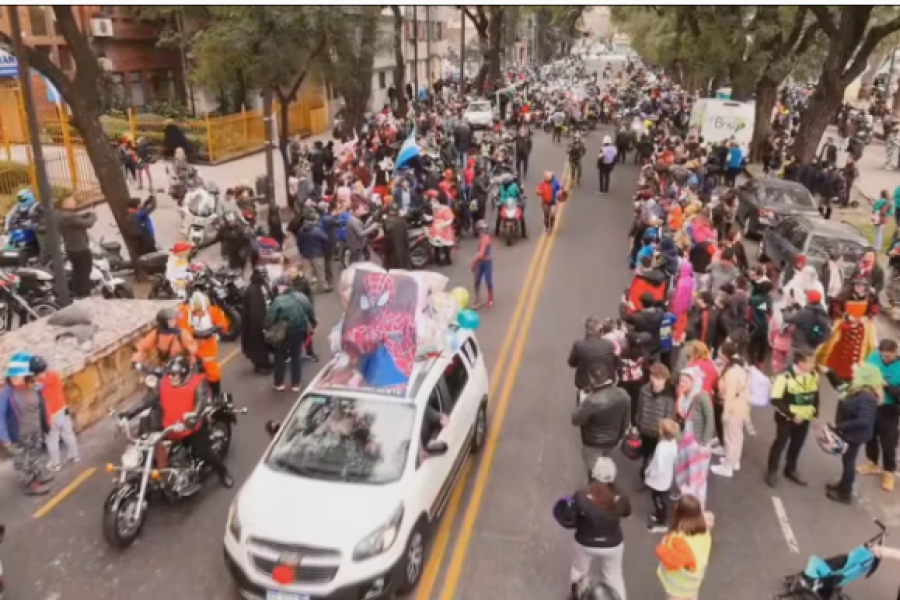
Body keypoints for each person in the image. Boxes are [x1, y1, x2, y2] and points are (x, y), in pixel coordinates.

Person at [118, 355, 233, 488]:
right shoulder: (164, 383)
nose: (172, 377)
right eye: (170, 374)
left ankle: (223, 473)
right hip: (170, 427)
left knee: (205, 453)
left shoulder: (197, 383)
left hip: (191, 428)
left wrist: (193, 417)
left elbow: (200, 403)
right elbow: (147, 401)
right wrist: (128, 414)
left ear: (184, 374)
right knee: (150, 448)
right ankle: (164, 477)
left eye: (175, 375)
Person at [567, 458, 631, 600]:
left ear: (594, 475)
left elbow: (570, 517)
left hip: (586, 541)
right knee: (614, 576)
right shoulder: (621, 498)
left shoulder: (581, 496)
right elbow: (627, 512)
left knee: (579, 570)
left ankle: (576, 596)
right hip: (613, 543)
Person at [820, 363, 881, 504]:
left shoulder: (868, 398)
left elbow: (863, 421)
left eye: (857, 374)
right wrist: (829, 371)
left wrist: (839, 427)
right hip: (852, 433)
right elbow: (840, 386)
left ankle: (845, 493)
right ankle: (842, 485)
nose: (854, 375)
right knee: (847, 460)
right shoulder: (858, 390)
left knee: (849, 462)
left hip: (855, 436)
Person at [766, 349, 820, 488]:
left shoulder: (813, 375)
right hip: (786, 418)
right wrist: (792, 415)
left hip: (805, 418)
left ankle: (790, 470)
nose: (814, 364)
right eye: (810, 362)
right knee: (780, 443)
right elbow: (776, 400)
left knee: (797, 445)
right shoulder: (784, 377)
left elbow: (815, 396)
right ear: (801, 363)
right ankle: (772, 471)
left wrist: (814, 415)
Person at [0, 352, 52, 495]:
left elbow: (41, 405)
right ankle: (29, 485)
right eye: (13, 376)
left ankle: (37, 476)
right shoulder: (7, 393)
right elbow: (1, 416)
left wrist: (46, 423)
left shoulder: (34, 387)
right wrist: (5, 440)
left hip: (35, 430)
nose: (15, 379)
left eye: (19, 375)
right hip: (19, 436)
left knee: (35, 456)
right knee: (23, 463)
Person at [571, 365, 631, 480]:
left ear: (592, 379)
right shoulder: (623, 394)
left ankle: (595, 489)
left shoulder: (591, 401)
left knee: (594, 470)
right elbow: (626, 420)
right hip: (613, 439)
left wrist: (582, 401)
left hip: (593, 442)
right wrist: (620, 437)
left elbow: (576, 420)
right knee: (605, 462)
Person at [857, 339, 900, 492]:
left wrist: (886, 385)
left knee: (888, 440)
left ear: (896, 352)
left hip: (889, 407)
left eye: (888, 357)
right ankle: (872, 462)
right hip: (870, 402)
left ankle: (889, 472)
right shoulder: (874, 357)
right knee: (870, 435)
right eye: (882, 356)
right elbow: (864, 373)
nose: (884, 359)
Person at [656, 495, 714, 600]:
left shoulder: (678, 540)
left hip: (678, 587)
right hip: (694, 583)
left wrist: (664, 543)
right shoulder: (704, 532)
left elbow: (668, 558)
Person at [672, 367, 716, 506]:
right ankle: (685, 497)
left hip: (697, 443)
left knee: (697, 477)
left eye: (686, 380)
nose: (682, 383)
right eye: (681, 380)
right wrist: (681, 394)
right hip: (685, 440)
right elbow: (681, 413)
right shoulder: (684, 394)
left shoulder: (702, 396)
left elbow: (710, 419)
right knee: (682, 469)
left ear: (694, 381)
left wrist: (704, 442)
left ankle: (697, 506)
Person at [30, 355, 80, 472]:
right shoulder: (54, 375)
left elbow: (34, 389)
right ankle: (75, 455)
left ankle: (56, 464)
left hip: (50, 415)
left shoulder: (38, 383)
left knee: (52, 439)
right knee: (68, 433)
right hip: (63, 410)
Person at [265, 278, 315, 391]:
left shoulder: (278, 300)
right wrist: (313, 324)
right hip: (299, 331)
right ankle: (296, 384)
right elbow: (310, 312)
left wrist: (267, 327)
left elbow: (270, 317)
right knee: (296, 357)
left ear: (282, 287)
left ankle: (279, 383)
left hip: (283, 332)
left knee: (280, 357)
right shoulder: (302, 297)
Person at [710, 342, 750, 478]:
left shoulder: (731, 373)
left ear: (726, 356)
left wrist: (725, 414)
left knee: (730, 437)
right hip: (742, 405)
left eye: (721, 354)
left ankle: (727, 467)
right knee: (737, 435)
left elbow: (730, 395)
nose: (719, 356)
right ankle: (734, 461)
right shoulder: (739, 366)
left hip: (734, 408)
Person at [177, 291, 228, 398]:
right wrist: (197, 334)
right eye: (199, 311)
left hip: (208, 347)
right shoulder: (185, 312)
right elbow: (183, 329)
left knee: (212, 372)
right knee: (188, 373)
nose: (202, 313)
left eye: (203, 310)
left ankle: (215, 395)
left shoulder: (211, 311)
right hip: (190, 346)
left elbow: (223, 324)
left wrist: (214, 328)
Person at [635, 363, 676, 481]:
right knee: (646, 453)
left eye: (660, 379)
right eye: (655, 377)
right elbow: (640, 407)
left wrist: (664, 431)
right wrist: (638, 422)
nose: (657, 381)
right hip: (645, 428)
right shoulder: (644, 390)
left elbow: (669, 416)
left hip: (658, 433)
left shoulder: (668, 396)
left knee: (655, 455)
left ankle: (651, 476)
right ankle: (645, 471)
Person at [568, 316, 619, 404]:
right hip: (606, 386)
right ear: (599, 329)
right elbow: (617, 364)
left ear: (586, 330)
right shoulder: (609, 345)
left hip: (586, 386)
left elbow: (572, 363)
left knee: (581, 413)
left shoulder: (578, 345)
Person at [57, 196, 97, 298]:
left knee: (77, 271)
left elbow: (77, 219)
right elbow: (87, 223)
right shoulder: (69, 217)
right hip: (80, 248)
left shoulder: (62, 216)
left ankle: (78, 291)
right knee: (84, 271)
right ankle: (84, 292)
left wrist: (85, 215)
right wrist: (92, 215)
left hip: (71, 248)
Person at [646, 419, 680, 533]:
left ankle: (662, 522)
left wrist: (650, 473)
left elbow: (658, 465)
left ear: (661, 432)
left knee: (657, 498)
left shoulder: (661, 447)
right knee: (662, 496)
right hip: (667, 475)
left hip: (658, 479)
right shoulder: (673, 443)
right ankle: (659, 514)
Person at [133, 308, 198, 364]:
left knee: (193, 377)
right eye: (171, 320)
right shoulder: (157, 333)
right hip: (166, 365)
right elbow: (143, 345)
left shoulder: (181, 333)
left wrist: (189, 350)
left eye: (174, 319)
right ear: (164, 322)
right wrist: (137, 357)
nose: (174, 321)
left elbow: (192, 345)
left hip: (185, 363)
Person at [241, 268, 273, 374]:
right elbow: (255, 311)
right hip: (256, 324)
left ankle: (265, 363)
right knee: (258, 345)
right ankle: (260, 365)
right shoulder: (253, 290)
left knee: (264, 344)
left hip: (262, 320)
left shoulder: (261, 286)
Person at [294, 211, 331, 292]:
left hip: (305, 255)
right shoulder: (317, 231)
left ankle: (308, 288)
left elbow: (299, 242)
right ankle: (324, 287)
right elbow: (326, 239)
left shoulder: (301, 230)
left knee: (307, 273)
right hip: (317, 254)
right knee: (320, 272)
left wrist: (301, 251)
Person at [470, 220, 494, 309]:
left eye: (482, 230)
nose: (481, 232)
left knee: (488, 281)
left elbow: (481, 253)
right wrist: (475, 263)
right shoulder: (482, 239)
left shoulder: (486, 239)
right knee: (476, 281)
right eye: (479, 230)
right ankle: (477, 299)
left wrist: (473, 261)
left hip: (486, 262)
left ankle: (490, 297)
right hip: (480, 262)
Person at [382, 203, 412, 271]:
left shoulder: (388, 221)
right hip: (403, 250)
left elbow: (387, 239)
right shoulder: (402, 220)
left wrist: (385, 250)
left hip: (393, 252)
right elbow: (406, 236)